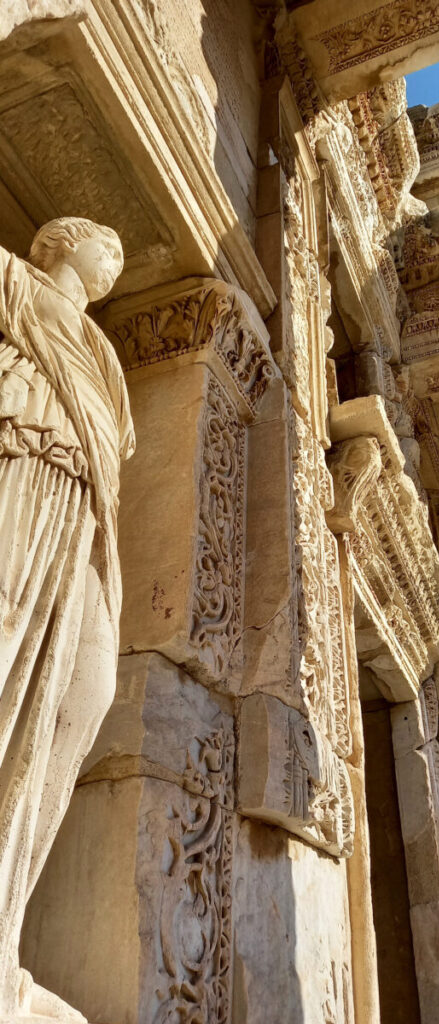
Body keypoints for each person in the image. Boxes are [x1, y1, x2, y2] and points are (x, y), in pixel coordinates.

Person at [0, 217, 134, 1022]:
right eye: (103, 241)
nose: (115, 255)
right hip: (23, 473)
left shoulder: (109, 358)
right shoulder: (15, 283)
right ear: (59, 243)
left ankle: (4, 925)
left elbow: (117, 448)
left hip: (83, 518)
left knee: (83, 698)